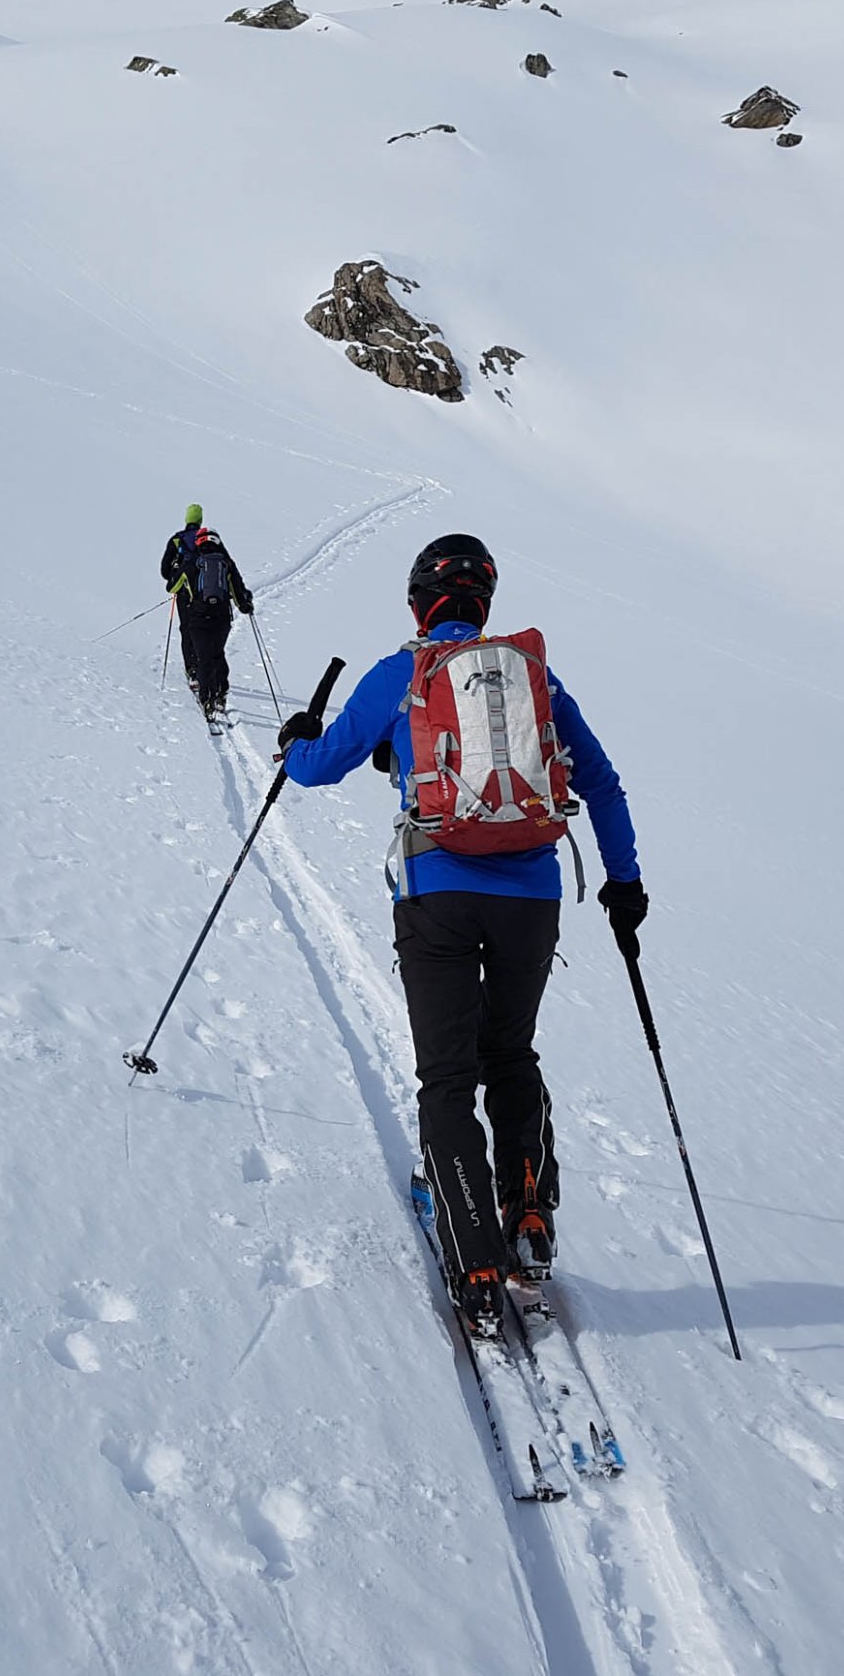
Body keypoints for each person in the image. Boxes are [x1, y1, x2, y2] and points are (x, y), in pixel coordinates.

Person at [274, 534, 648, 1338]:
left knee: (447, 1077)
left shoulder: (401, 675)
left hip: (436, 895)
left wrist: (294, 738)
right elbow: (604, 783)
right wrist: (624, 884)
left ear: (420, 603)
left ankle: (474, 1256)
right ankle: (529, 1216)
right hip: (533, 896)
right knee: (510, 1052)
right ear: (484, 604)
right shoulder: (533, 678)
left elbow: (316, 766)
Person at [158, 504, 255, 723]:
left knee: (198, 650)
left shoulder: (179, 543)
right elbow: (238, 589)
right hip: (221, 615)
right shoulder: (223, 561)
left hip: (194, 608)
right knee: (216, 653)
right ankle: (220, 694)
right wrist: (245, 604)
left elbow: (168, 580)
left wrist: (178, 571)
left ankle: (201, 689)